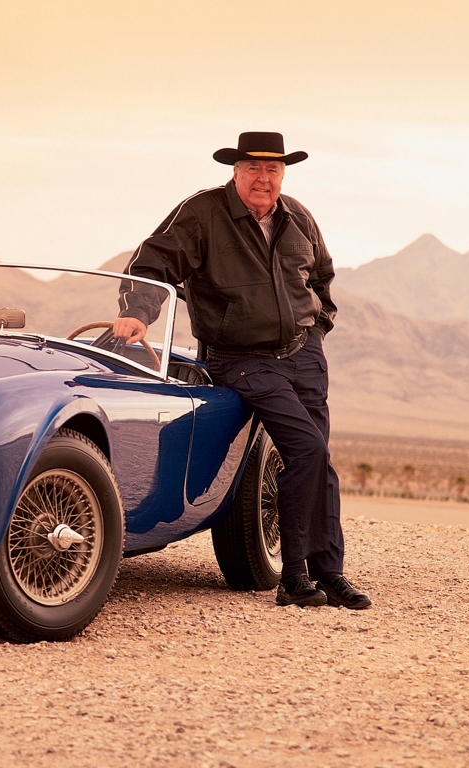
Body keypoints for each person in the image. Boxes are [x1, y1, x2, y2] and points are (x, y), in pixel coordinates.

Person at [113, 131, 370, 610]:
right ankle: (293, 576)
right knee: (306, 447)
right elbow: (153, 262)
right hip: (241, 358)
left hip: (302, 354)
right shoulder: (203, 213)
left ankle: (329, 572)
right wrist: (138, 313)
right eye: (253, 167)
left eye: (273, 169)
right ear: (235, 171)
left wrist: (317, 325)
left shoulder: (297, 216)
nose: (263, 178)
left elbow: (321, 276)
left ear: (283, 174)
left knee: (320, 464)